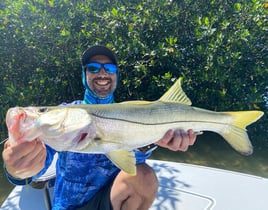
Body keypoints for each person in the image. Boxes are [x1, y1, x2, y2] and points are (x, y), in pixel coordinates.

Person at [2, 46, 197, 210]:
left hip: (109, 199)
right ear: (84, 75)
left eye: (109, 68)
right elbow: (39, 162)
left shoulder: (130, 112)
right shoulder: (65, 113)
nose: (102, 73)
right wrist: (19, 170)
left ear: (116, 75)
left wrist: (155, 140)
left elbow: (130, 160)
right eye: (94, 68)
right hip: (68, 205)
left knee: (144, 176)